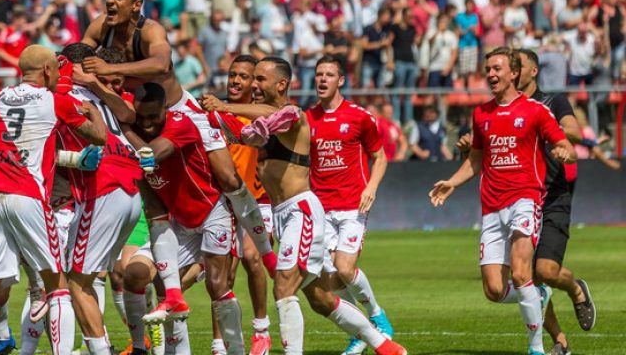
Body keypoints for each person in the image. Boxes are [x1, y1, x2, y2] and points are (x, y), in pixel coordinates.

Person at [83, 0, 276, 320]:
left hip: (182, 113)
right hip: (144, 120)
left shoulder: (151, 30)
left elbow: (159, 65)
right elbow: (79, 55)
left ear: (136, 6)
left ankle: (264, 250)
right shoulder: (101, 26)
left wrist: (109, 70)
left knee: (229, 178)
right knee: (156, 193)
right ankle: (174, 289)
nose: (110, 2)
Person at [218, 56, 407, 355]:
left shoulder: (294, 114)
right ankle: (385, 346)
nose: (254, 85)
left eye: (260, 79)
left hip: (300, 212)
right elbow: (246, 134)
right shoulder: (263, 121)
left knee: (283, 287)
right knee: (321, 299)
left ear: (281, 84)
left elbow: (272, 120)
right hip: (285, 216)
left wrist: (226, 107)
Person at [0, 45, 107, 355]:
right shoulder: (55, 101)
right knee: (57, 285)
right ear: (48, 71)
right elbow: (98, 137)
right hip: (29, 196)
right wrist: (93, 112)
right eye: (57, 71)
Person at [430, 47, 578, 355]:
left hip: (526, 199)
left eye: (497, 69)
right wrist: (452, 183)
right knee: (494, 291)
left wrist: (565, 151)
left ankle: (536, 348)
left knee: (522, 273)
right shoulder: (481, 113)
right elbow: (476, 159)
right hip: (492, 207)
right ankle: (538, 296)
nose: (491, 74)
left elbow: (566, 144)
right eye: (488, 69)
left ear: (514, 74)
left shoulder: (536, 110)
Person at [122, 82, 247, 354]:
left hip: (213, 211)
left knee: (218, 287)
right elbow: (156, 214)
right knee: (135, 275)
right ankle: (156, 349)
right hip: (179, 222)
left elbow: (153, 153)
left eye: (152, 117)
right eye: (140, 118)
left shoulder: (180, 123)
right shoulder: (139, 144)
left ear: (165, 109)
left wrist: (125, 129)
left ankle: (236, 349)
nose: (147, 123)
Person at [58, 42, 144, 354]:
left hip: (103, 187)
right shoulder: (102, 96)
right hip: (130, 188)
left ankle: (98, 349)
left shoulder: (65, 95)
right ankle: (113, 342)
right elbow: (128, 114)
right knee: (92, 275)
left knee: (76, 281)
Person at [306, 56, 394, 355]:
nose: (322, 80)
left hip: (352, 205)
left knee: (345, 268)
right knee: (331, 278)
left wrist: (372, 187)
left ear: (340, 80)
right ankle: (360, 333)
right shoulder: (308, 119)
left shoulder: (359, 117)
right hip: (322, 208)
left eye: (329, 75)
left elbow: (380, 157)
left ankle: (377, 315)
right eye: (319, 74)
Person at [200, 54, 273, 355]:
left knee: (253, 258)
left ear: (253, 81)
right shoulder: (212, 113)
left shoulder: (257, 114)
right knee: (222, 275)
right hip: (224, 200)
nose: (235, 80)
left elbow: (275, 114)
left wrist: (225, 108)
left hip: (258, 199)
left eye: (243, 76)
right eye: (232, 75)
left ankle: (261, 329)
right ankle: (220, 342)